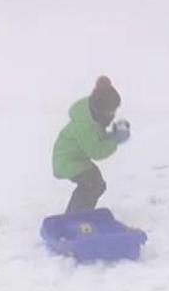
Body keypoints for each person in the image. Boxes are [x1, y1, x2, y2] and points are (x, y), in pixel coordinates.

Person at [52, 76, 130, 213]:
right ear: (99, 110)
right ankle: (74, 216)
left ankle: (82, 214)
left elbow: (96, 139)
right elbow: (96, 151)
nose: (112, 115)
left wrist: (112, 134)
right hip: (66, 161)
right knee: (92, 184)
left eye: (114, 111)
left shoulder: (92, 117)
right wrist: (114, 140)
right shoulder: (84, 126)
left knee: (95, 184)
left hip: (77, 159)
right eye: (110, 112)